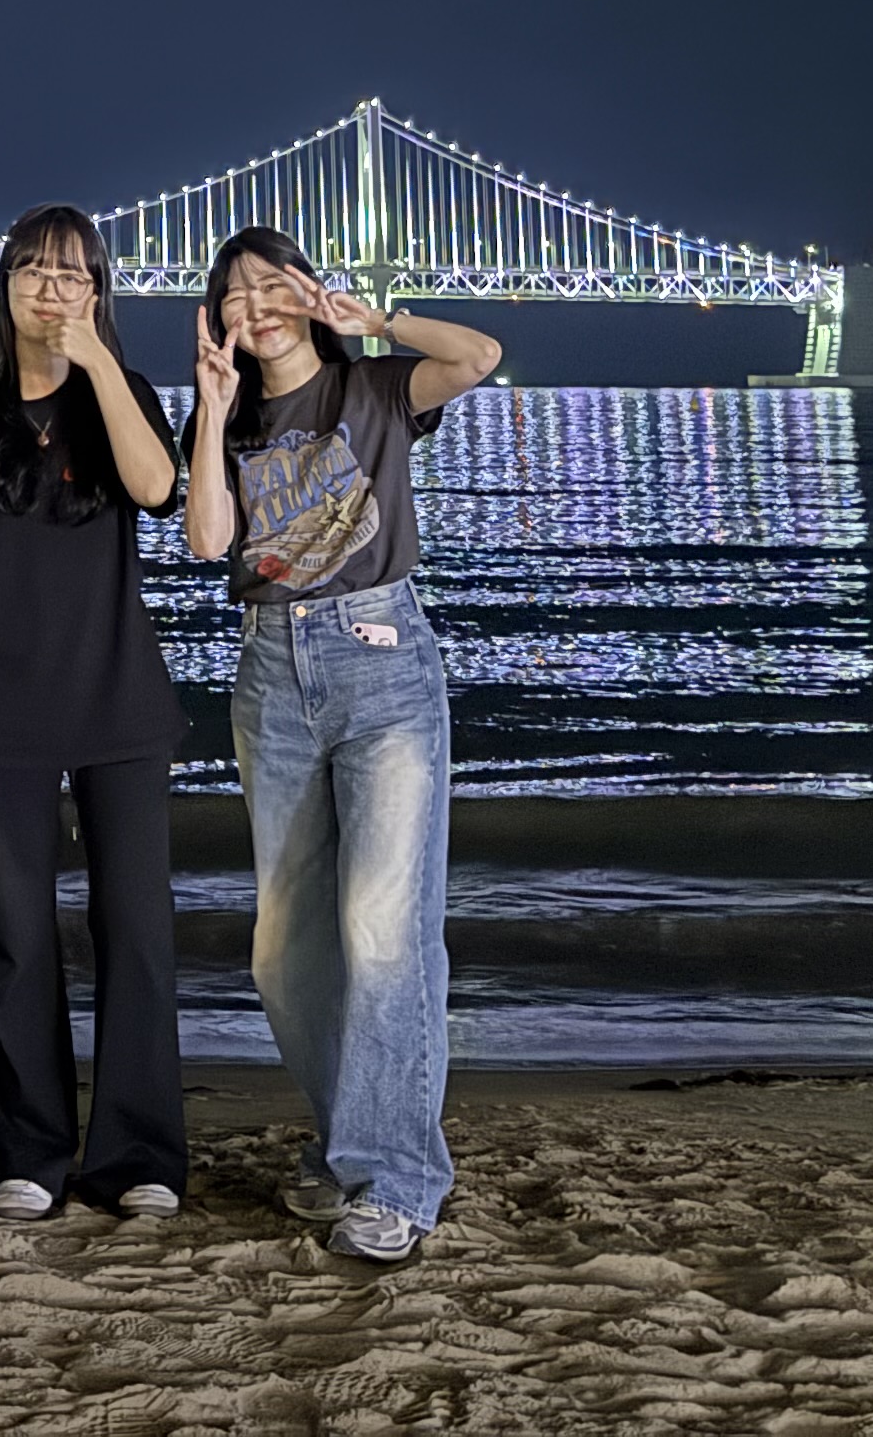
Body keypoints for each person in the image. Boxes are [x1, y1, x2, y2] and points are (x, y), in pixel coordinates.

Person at [180, 226, 503, 1264]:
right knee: (284, 953)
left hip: (381, 662)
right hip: (270, 673)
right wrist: (211, 407)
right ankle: (346, 1140)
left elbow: (478, 357)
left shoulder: (374, 388)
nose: (258, 306)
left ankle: (393, 1177)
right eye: (237, 294)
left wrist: (380, 320)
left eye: (275, 285)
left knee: (382, 932)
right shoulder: (231, 416)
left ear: (310, 294)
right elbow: (206, 540)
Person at [0, 203, 188, 1219]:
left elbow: (156, 490)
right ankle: (30, 1152)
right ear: (6, 286)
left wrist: (99, 361)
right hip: (1, 713)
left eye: (73, 274)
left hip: (120, 700)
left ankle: (139, 1157)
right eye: (32, 270)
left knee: (136, 933)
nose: (51, 289)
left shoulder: (125, 393)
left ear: (98, 291)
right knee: (17, 934)